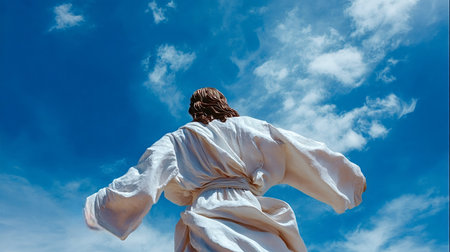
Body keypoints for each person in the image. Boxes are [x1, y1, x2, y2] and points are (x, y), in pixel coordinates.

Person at [84, 87, 366, 252]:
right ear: (222, 103)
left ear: (194, 109)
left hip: (207, 212)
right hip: (249, 206)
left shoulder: (178, 139)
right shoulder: (248, 127)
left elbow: (144, 177)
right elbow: (302, 149)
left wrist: (103, 206)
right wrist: (346, 180)